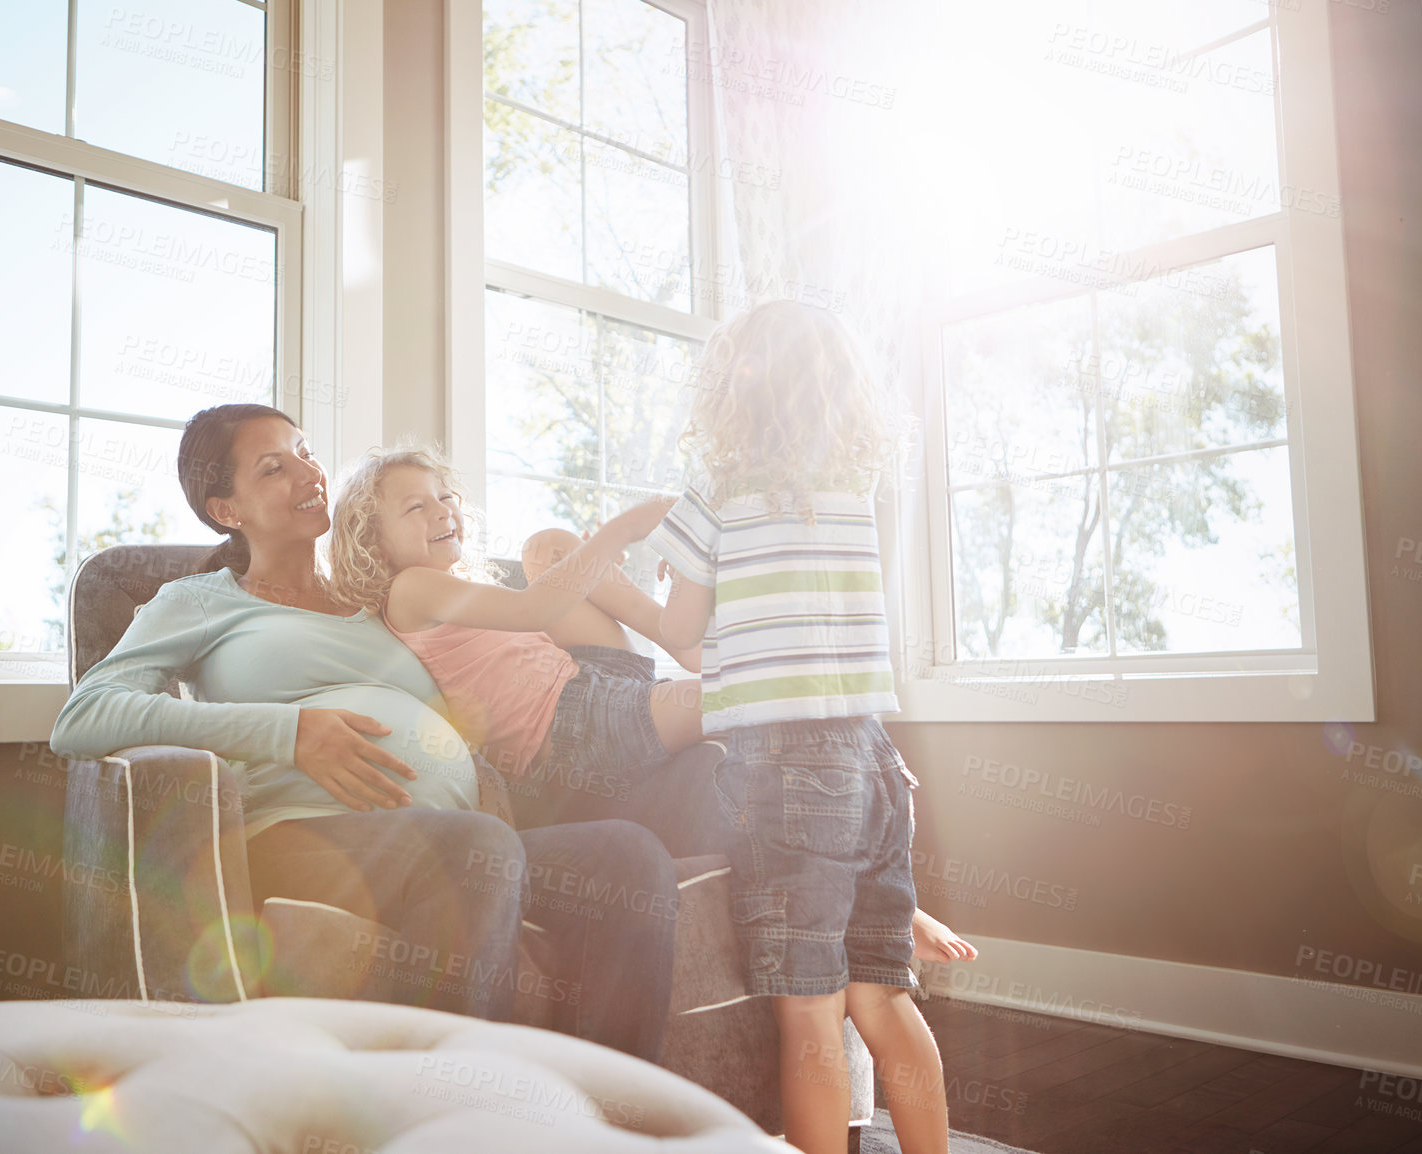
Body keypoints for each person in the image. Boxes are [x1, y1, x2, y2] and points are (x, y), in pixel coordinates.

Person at [49, 404, 677, 1063]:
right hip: (301, 836)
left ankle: (609, 1115)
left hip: (460, 832)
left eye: (305, 450)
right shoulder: (202, 600)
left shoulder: (380, 600)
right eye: (273, 467)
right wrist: (287, 732)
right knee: (468, 852)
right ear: (226, 509)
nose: (307, 472)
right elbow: (87, 717)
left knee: (625, 857)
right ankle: (448, 1121)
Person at [648, 301, 950, 1154]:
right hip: (876, 760)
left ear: (736, 382)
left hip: (785, 766)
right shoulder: (851, 490)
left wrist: (640, 583)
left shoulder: (716, 492)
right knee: (884, 1001)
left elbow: (680, 636)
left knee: (810, 1014)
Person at [326, 445, 705, 829]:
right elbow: (533, 609)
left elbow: (543, 623)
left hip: (594, 682)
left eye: (443, 497)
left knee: (547, 547)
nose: (441, 510)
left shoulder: (460, 584)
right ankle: (699, 647)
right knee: (731, 696)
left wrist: (592, 571)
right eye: (415, 507)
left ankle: (684, 641)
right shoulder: (411, 588)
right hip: (572, 726)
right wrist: (623, 529)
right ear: (373, 543)